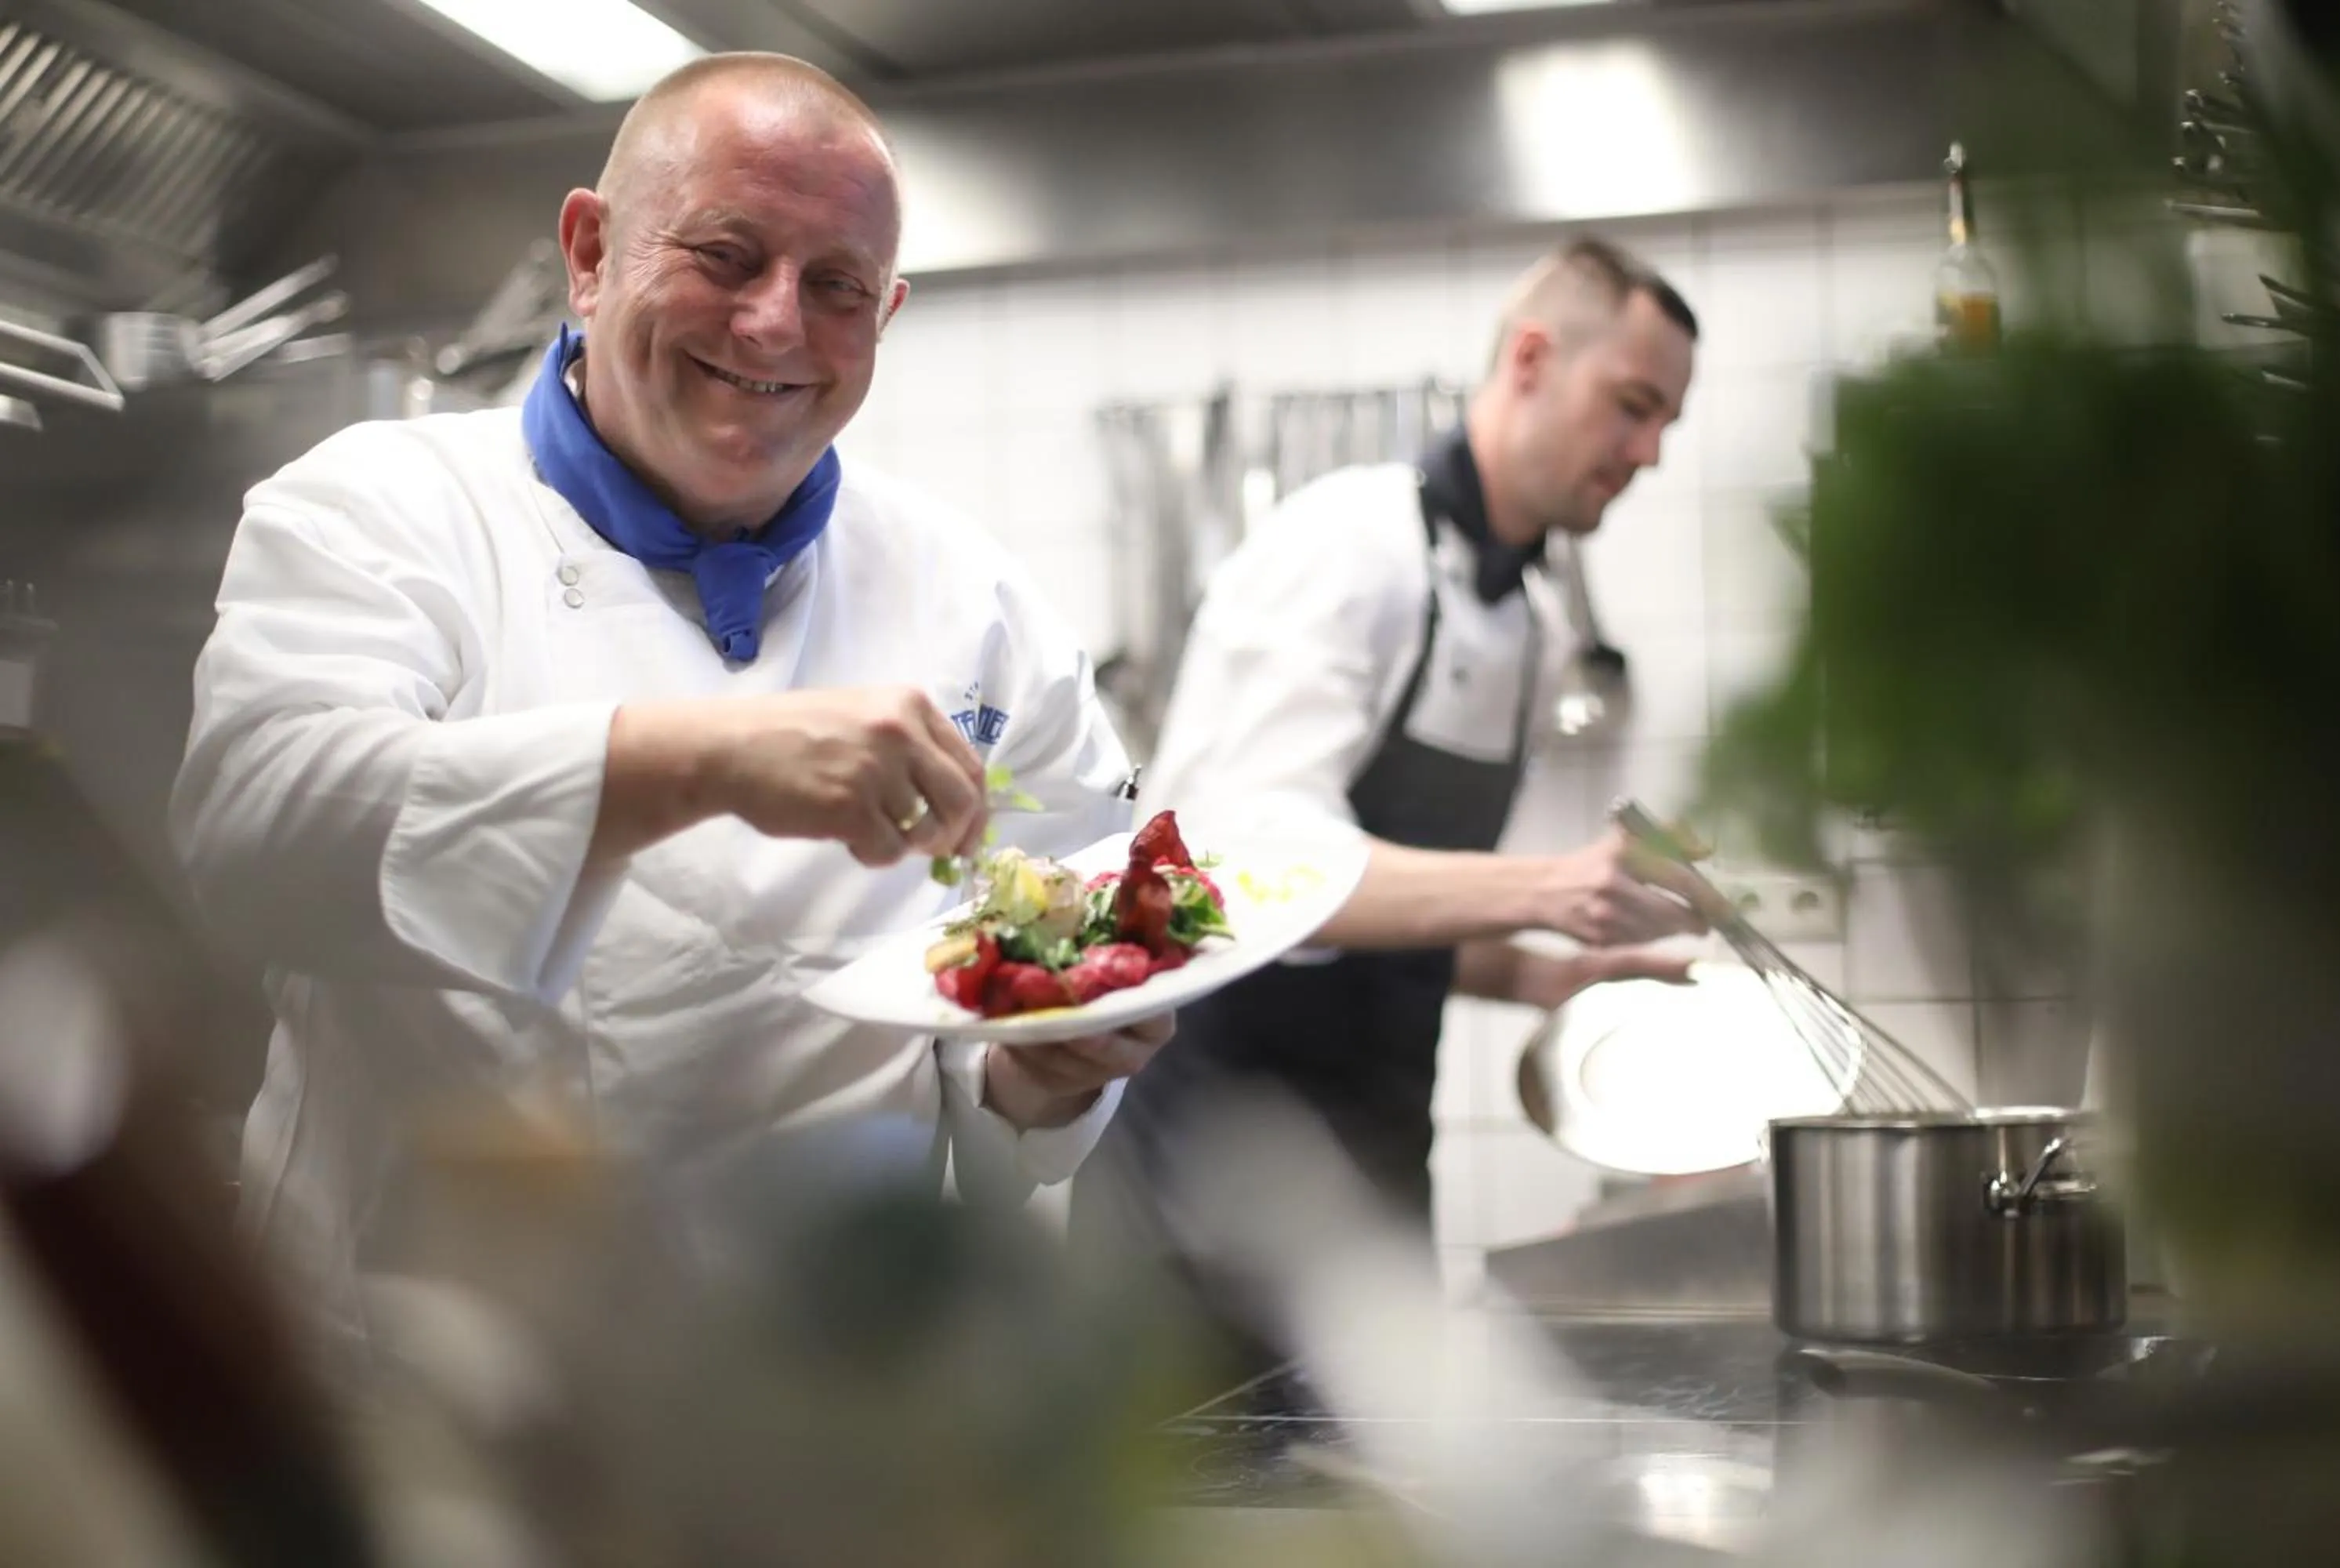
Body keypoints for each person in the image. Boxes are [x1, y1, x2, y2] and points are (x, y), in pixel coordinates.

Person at [169, 53, 1170, 1356]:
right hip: (428, 1403)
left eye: (837, 288)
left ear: (888, 312)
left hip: (834, 1408)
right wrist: (688, 759)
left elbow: (1051, 978)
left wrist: (1038, 1076)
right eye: (726, 254)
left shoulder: (975, 600)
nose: (775, 326)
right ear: (590, 253)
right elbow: (254, 837)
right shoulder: (380, 508)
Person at [1069, 238, 1706, 1371]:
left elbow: (1369, 912)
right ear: (1530, 359)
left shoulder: (1538, 628)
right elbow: (1243, 865)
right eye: (1631, 406)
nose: (1648, 451)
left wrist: (1530, 971)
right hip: (1215, 1143)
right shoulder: (1351, 548)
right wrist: (1553, 887)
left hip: (1373, 1144)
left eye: (1665, 423)